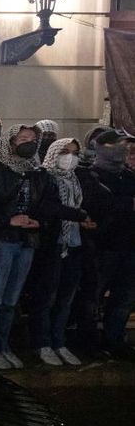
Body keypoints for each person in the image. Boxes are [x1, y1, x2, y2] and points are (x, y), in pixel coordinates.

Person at [0, 124, 86, 370]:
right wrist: (8, 220)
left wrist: (39, 222)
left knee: (11, 300)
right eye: (23, 138)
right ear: (11, 142)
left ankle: (3, 345)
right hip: (1, 240)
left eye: (33, 139)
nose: (29, 142)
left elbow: (46, 205)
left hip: (27, 241)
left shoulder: (38, 174)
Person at [28, 138, 93, 366]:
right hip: (52, 244)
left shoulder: (76, 178)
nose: (70, 156)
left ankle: (59, 341)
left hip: (73, 244)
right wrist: (79, 215)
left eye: (75, 153)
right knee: (47, 296)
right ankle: (42, 343)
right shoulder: (43, 176)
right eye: (65, 151)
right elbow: (47, 207)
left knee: (66, 298)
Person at [76, 130, 135, 360]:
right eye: (120, 145)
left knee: (124, 296)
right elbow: (99, 204)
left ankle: (114, 339)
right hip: (103, 246)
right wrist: (127, 203)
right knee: (93, 296)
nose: (125, 151)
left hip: (129, 245)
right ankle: (88, 342)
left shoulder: (128, 176)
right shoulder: (93, 175)